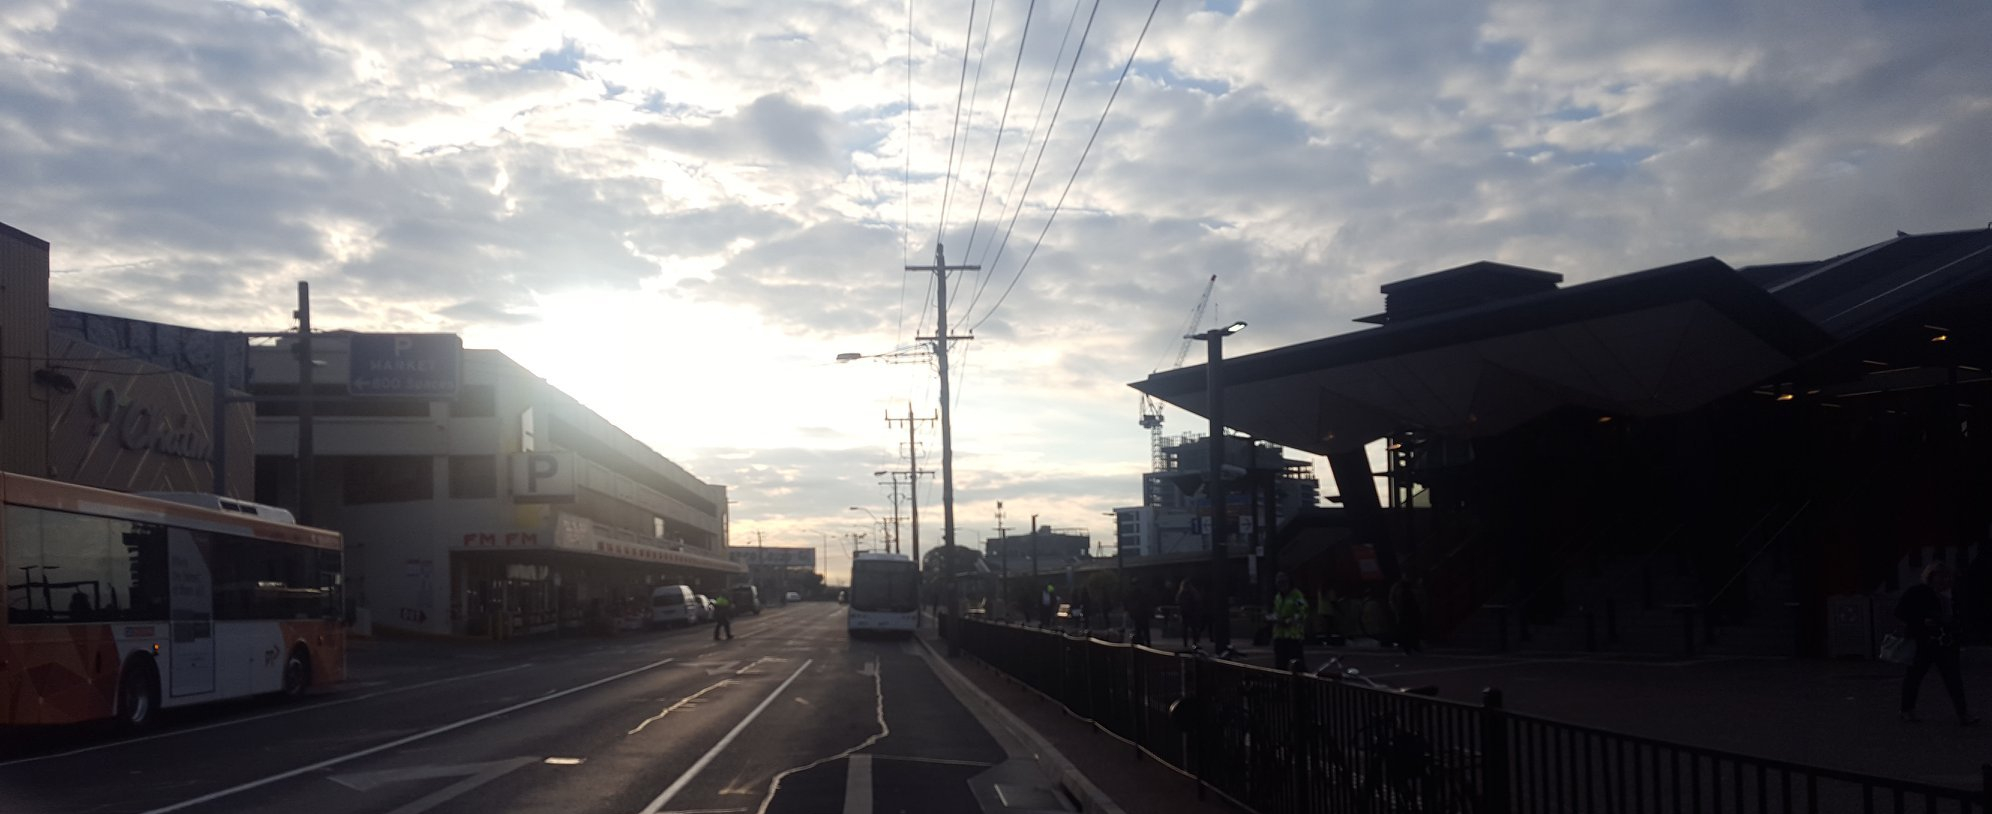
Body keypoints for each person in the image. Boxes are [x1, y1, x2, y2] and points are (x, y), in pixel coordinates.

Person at [1898, 561, 1977, 724]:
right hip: (1924, 641)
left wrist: (1958, 629)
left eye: (1948, 577)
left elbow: (1963, 615)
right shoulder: (1919, 592)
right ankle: (1907, 709)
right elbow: (1900, 612)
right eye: (1941, 577)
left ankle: (1963, 713)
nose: (1945, 581)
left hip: (1947, 642)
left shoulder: (1954, 595)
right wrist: (1921, 621)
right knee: (1914, 677)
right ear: (1931, 578)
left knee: (1953, 679)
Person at [1269, 572, 1309, 671]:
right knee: (1280, 665)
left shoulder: (1296, 595)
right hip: (1279, 635)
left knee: (1297, 664)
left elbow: (1304, 610)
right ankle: (1281, 684)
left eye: (1283, 582)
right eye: (1278, 583)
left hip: (1293, 636)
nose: (1281, 585)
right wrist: (1273, 618)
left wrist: (1291, 620)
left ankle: (1303, 684)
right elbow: (1276, 611)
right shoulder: (1278, 597)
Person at [1391, 579, 1425, 655]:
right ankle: (1408, 646)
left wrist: (1422, 608)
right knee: (1405, 629)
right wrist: (1396, 609)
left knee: (1415, 627)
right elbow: (1392, 599)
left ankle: (1415, 644)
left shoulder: (1415, 586)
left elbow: (1422, 598)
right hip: (1403, 610)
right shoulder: (1398, 586)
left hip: (1414, 610)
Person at [1177, 579, 1204, 649]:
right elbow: (1197, 601)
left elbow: (1178, 602)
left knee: (1187, 629)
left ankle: (1187, 643)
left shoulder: (1182, 593)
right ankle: (1194, 642)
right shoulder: (1193, 592)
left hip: (1187, 613)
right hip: (1191, 613)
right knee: (1192, 629)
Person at [1126, 579, 1152, 647]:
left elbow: (1129, 604)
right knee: (1145, 630)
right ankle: (1147, 643)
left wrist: (1131, 613)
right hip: (1142, 615)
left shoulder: (1132, 593)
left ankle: (1139, 642)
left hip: (1137, 615)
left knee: (1137, 630)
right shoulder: (1143, 593)